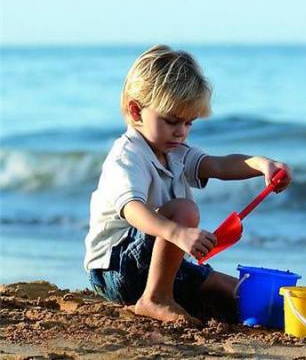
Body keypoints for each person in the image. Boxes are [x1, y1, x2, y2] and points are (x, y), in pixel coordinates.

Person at [84, 45, 291, 324]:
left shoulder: (175, 151)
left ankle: (281, 307)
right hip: (115, 268)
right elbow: (132, 209)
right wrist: (178, 233)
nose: (181, 132)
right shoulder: (127, 156)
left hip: (154, 266)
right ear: (136, 111)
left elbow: (218, 165)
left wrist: (260, 165)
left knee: (232, 291)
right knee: (185, 209)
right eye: (171, 121)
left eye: (189, 123)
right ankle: (155, 298)